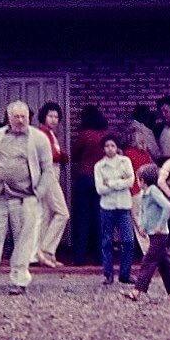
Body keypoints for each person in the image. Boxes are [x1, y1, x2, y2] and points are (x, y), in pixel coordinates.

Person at [0, 100, 55, 295]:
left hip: (25, 198)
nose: (21, 120)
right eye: (16, 116)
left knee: (23, 241)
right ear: (9, 117)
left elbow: (48, 170)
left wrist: (38, 192)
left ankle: (19, 281)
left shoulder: (38, 138)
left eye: (24, 116)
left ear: (29, 118)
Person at [123, 163, 170, 303]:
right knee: (164, 264)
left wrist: (160, 224)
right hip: (152, 232)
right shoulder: (145, 194)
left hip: (159, 233)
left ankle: (137, 291)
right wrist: (142, 226)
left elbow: (167, 207)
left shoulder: (154, 192)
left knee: (148, 260)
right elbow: (145, 213)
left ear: (143, 180)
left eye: (139, 179)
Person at [94, 133, 135, 285]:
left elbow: (130, 181)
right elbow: (100, 189)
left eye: (112, 146)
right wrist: (120, 182)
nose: (110, 149)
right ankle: (108, 273)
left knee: (128, 240)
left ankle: (125, 273)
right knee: (107, 241)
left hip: (124, 205)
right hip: (107, 206)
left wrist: (110, 183)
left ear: (117, 147)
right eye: (106, 146)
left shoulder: (125, 161)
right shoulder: (99, 166)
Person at [69, 105, 108, 265]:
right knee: (99, 218)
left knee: (82, 218)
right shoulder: (106, 135)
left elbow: (75, 154)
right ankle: (100, 256)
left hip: (84, 178)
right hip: (101, 178)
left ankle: (79, 257)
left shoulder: (85, 135)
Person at [34, 102, 71, 267]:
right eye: (51, 116)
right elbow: (49, 156)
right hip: (48, 174)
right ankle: (47, 249)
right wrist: (62, 156)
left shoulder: (51, 134)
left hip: (52, 173)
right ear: (44, 116)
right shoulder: (42, 134)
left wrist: (61, 155)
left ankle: (44, 255)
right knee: (63, 213)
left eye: (56, 116)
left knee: (47, 214)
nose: (54, 119)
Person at [123, 128, 155, 256]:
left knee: (137, 220)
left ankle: (147, 250)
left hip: (134, 190)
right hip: (146, 190)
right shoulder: (147, 155)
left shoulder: (128, 153)